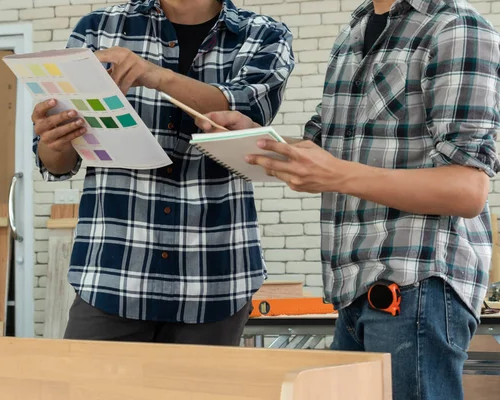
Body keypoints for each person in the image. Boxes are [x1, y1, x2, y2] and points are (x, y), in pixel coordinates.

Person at [195, 0, 500, 397]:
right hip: (354, 289)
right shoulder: (353, 32)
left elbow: (467, 190)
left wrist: (334, 174)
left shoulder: (455, 27)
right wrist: (255, 136)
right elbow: (328, 153)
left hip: (417, 284)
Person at [31, 0, 294, 346]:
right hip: (112, 277)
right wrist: (55, 141)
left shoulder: (263, 35)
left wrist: (155, 75)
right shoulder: (98, 29)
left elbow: (245, 109)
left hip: (215, 278)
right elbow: (57, 163)